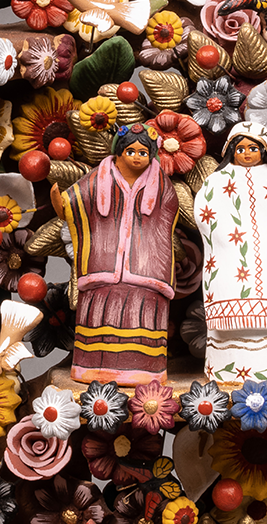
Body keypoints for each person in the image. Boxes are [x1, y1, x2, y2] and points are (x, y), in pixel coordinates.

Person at [54, 123, 179, 384]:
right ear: (119, 153)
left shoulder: (161, 184)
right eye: (130, 151)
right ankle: (91, 366)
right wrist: (61, 203)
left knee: (143, 306)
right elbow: (76, 200)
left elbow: (167, 216)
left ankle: (145, 369)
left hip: (145, 262)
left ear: (151, 156)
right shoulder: (98, 178)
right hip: (105, 258)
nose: (137, 157)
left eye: (143, 153)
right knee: (99, 304)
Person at [195, 121, 267, 384]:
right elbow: (205, 214)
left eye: (253, 148)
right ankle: (230, 367)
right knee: (232, 297)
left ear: (264, 150)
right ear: (231, 151)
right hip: (233, 256)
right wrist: (227, 239)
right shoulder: (217, 180)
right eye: (240, 149)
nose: (247, 153)